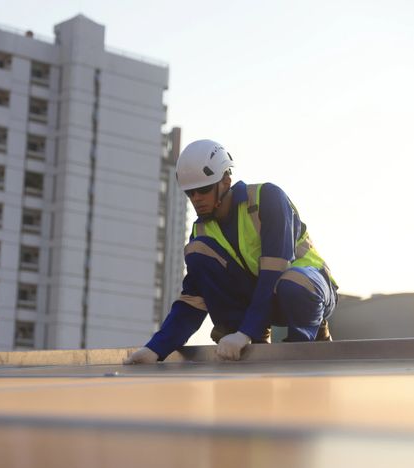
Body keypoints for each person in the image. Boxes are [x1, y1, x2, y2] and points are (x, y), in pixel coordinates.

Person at [125, 140, 337, 364]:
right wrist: (155, 349)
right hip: (262, 303)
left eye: (204, 189)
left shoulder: (267, 199)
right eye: (190, 192)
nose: (196, 198)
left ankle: (307, 340)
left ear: (226, 180)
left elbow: (273, 273)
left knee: (292, 284)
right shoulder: (202, 233)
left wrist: (246, 333)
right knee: (199, 252)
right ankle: (247, 337)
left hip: (309, 290)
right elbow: (193, 301)